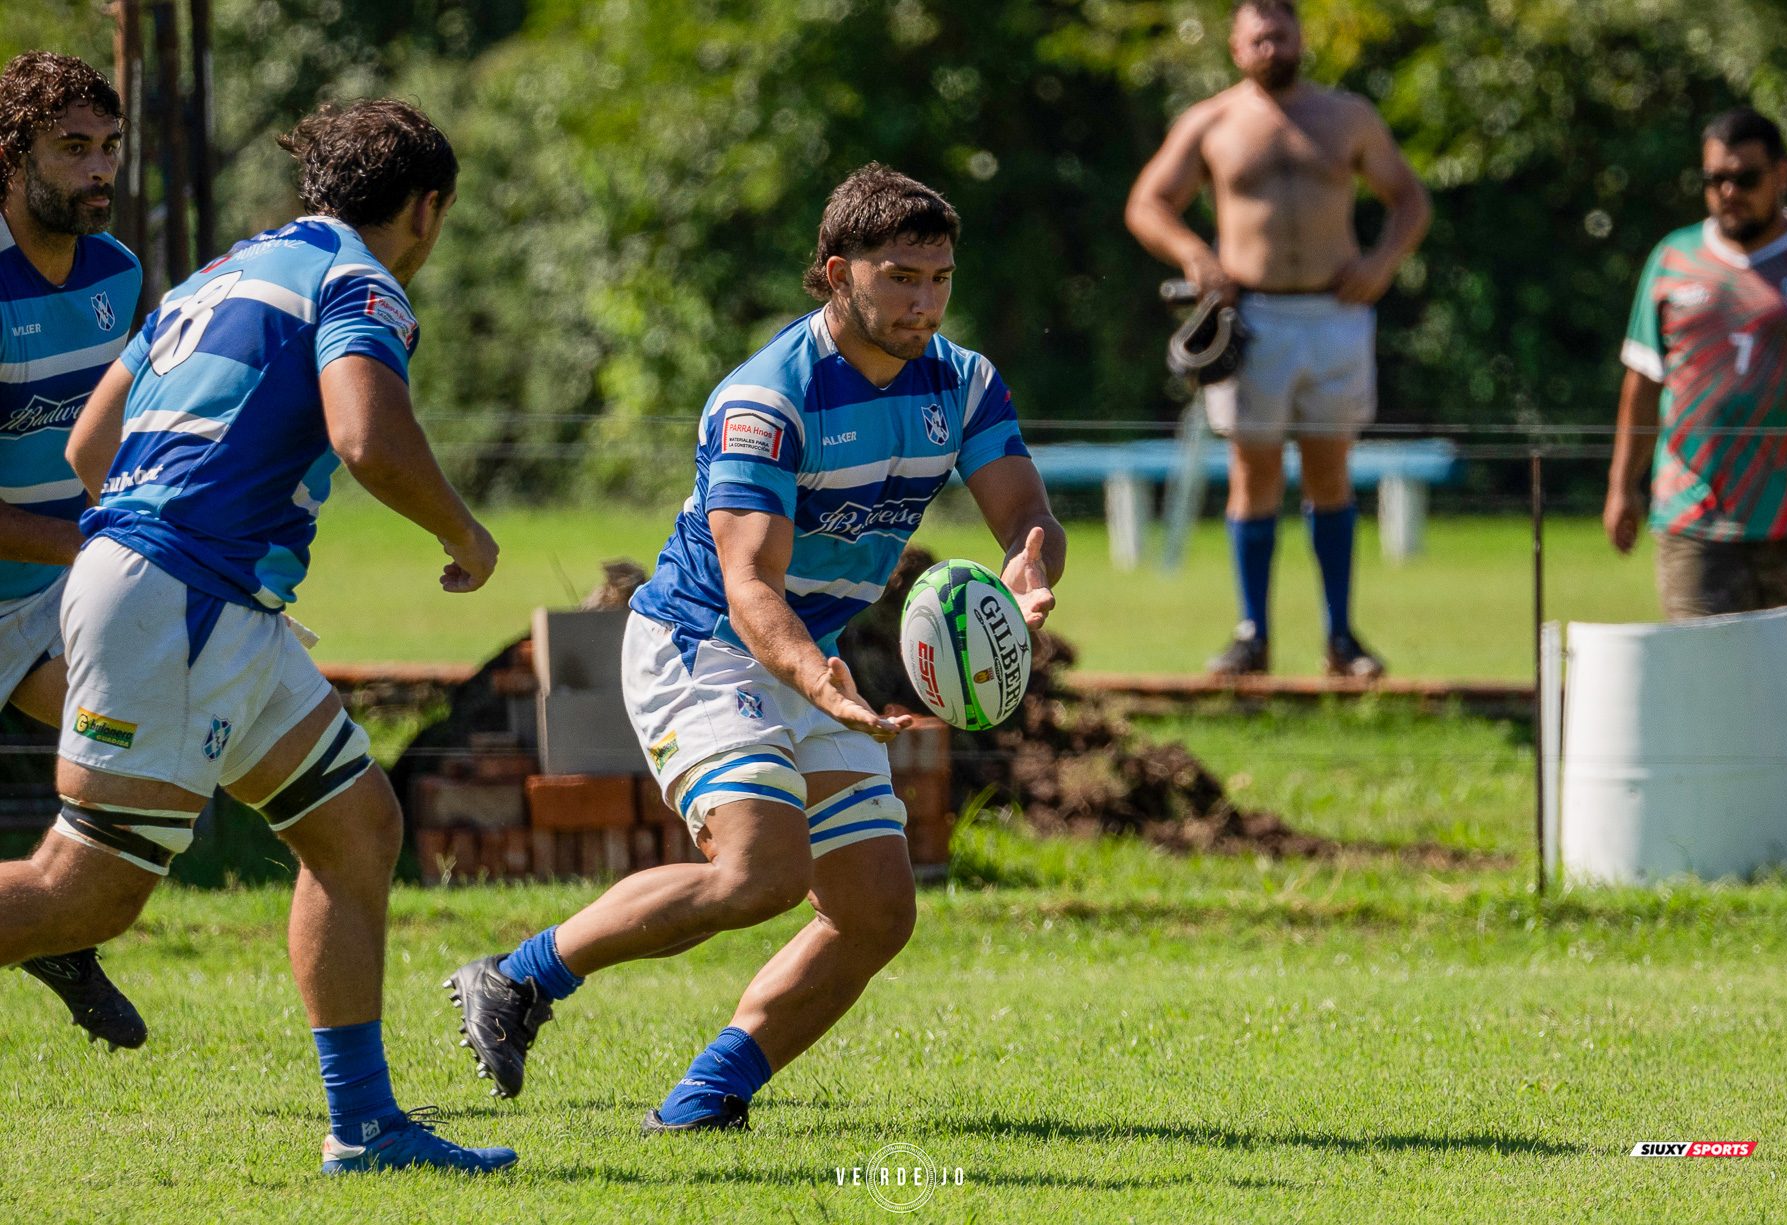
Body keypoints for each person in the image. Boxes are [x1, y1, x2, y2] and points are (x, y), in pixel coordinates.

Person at [446, 164, 1064, 1132]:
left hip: (806, 652)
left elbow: (1023, 510)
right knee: (758, 872)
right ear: (836, 270)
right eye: (901, 276)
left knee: (874, 911)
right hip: (704, 645)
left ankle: (707, 1097)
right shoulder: (765, 401)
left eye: (939, 278)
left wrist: (1026, 568)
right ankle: (519, 978)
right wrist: (815, 675)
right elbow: (748, 587)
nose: (924, 301)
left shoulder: (964, 378)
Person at [2, 98, 515, 1175]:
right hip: (186, 599)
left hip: (196, 596)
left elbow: (96, 445)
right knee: (81, 893)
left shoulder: (221, 273)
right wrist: (463, 531)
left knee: (355, 829)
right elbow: (367, 435)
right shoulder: (358, 282)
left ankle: (366, 1126)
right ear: (428, 209)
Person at [1125, 0, 1430, 676]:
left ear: (1300, 38)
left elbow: (1409, 197)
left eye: (1281, 34)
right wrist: (1194, 256)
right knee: (1253, 469)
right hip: (1252, 315)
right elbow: (1147, 202)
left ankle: (1341, 638)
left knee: (1330, 468)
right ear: (1236, 47)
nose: (1271, 46)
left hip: (1333, 313)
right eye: (1258, 37)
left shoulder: (1347, 116)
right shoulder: (1212, 121)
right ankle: (1252, 633)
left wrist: (1381, 264)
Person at [0, 51, 147, 1050]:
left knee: (140, 741)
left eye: (109, 149)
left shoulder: (119, 275)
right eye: (72, 150)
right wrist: (96, 545)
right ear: (13, 154)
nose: (99, 172)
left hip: (58, 589)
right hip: (54, 565)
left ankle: (52, 921)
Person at [1606, 107, 1787, 618]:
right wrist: (1622, 487)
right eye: (1715, 180)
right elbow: (1644, 382)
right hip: (1693, 517)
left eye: (1745, 178)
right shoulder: (1673, 258)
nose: (1728, 193)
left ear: (1782, 174)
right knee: (1704, 682)